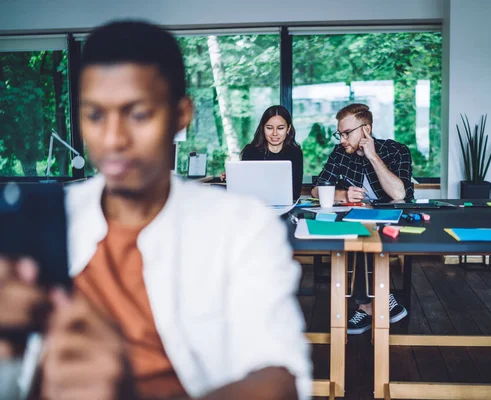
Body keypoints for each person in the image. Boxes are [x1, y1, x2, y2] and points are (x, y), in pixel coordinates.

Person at [0, 20, 311, 400]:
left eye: (139, 114)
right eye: (95, 115)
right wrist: (12, 355)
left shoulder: (242, 228)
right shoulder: (47, 220)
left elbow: (280, 381)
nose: (113, 139)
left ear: (181, 115)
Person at [311, 103, 414, 335]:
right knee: (360, 229)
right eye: (340, 134)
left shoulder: (397, 150)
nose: (341, 140)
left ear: (366, 130)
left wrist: (373, 156)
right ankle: (377, 300)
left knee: (364, 231)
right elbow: (317, 190)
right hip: (359, 221)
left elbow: (399, 194)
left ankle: (365, 304)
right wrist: (342, 194)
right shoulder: (340, 154)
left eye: (347, 133)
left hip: (394, 221)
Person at [221, 106, 303, 200]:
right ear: (263, 128)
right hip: (255, 205)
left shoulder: (295, 153)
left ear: (288, 129)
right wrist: (234, 178)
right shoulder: (251, 151)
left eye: (280, 128)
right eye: (269, 128)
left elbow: (295, 193)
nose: (275, 133)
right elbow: (245, 189)